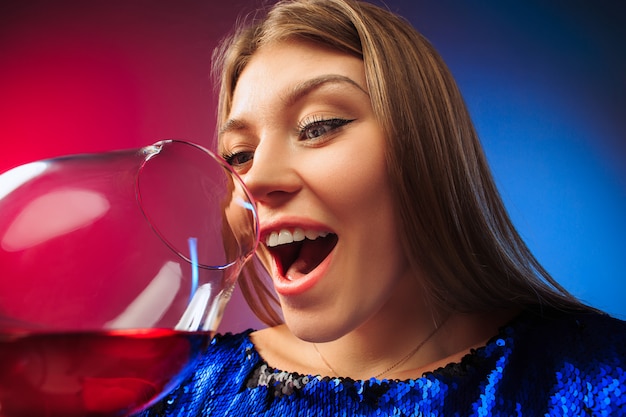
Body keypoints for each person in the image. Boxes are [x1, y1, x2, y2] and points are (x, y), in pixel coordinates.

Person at [136, 0, 626, 415]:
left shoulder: (601, 377)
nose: (255, 179)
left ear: (425, 149)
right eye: (239, 156)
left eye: (319, 126)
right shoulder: (169, 391)